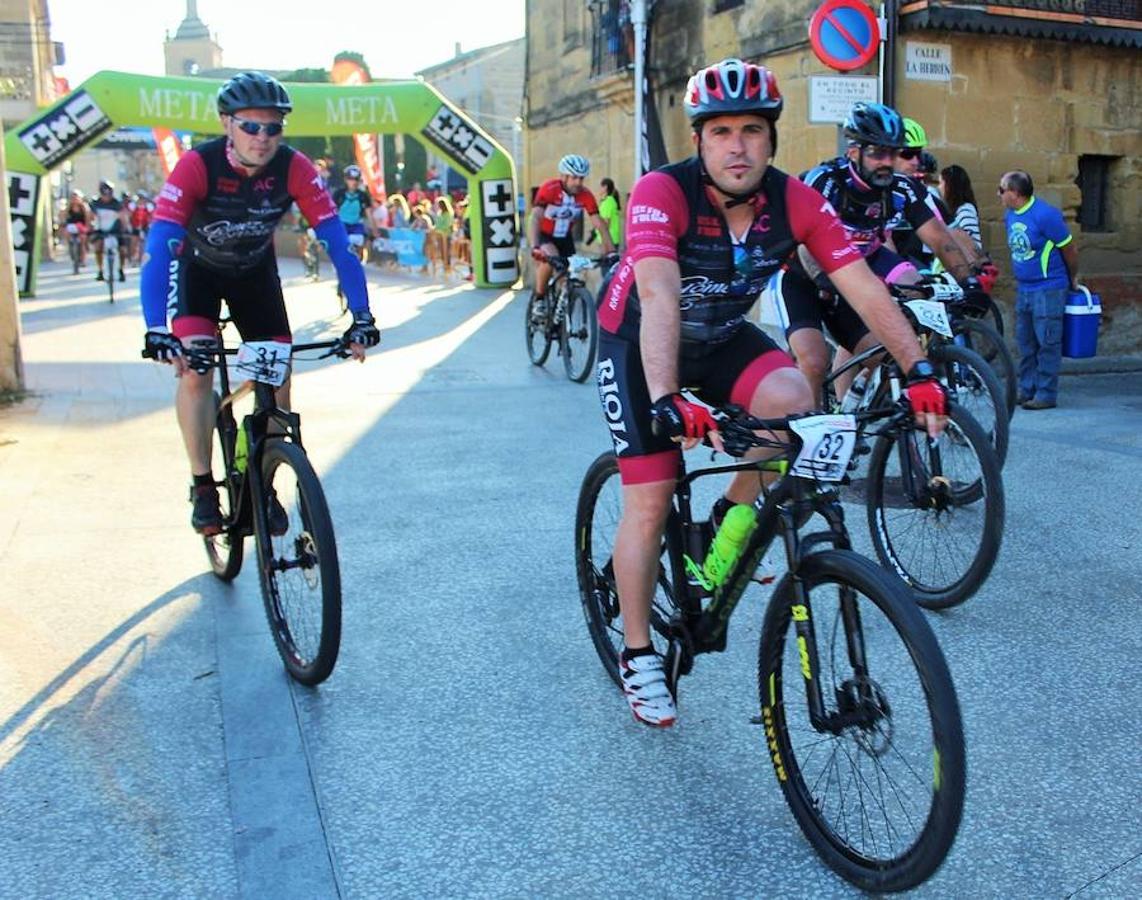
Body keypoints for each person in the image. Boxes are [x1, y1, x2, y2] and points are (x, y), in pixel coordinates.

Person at [595, 58, 948, 728]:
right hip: (639, 341)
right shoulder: (660, 193)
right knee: (648, 498)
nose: (737, 145)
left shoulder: (795, 201)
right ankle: (638, 652)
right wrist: (669, 395)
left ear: (772, 139)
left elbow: (864, 287)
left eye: (752, 130)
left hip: (723, 336)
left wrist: (918, 369)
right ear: (698, 140)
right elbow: (660, 295)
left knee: (796, 405)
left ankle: (726, 535)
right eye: (721, 130)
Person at [139, 71, 380, 534]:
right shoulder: (196, 165)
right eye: (251, 126)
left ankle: (263, 479)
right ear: (226, 123)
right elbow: (159, 248)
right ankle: (203, 484)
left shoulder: (294, 168)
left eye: (273, 128)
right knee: (195, 373)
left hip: (254, 275)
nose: (263, 138)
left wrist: (362, 316)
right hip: (198, 274)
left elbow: (338, 246)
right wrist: (156, 327)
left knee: (278, 373)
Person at [785, 101, 989, 403]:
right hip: (806, 275)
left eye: (892, 153)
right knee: (814, 362)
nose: (886, 162)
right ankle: (811, 434)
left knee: (888, 348)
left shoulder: (902, 188)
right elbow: (805, 244)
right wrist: (830, 283)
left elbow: (938, 237)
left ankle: (861, 404)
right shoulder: (826, 181)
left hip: (863, 261)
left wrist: (969, 283)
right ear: (853, 152)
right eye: (877, 153)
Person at [999, 170, 1079, 410]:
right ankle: (1028, 389)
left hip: (1049, 288)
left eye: (1002, 190)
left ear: (1015, 193)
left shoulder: (1046, 215)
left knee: (1047, 342)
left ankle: (1046, 394)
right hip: (1025, 287)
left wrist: (1072, 277)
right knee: (1026, 343)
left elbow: (1069, 248)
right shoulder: (1010, 214)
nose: (998, 194)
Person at [527, 154, 617, 314]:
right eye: (574, 178)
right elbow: (535, 217)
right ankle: (539, 298)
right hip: (545, 235)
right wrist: (534, 246)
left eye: (581, 178)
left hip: (565, 238)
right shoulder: (550, 189)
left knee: (566, 279)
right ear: (564, 177)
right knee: (551, 260)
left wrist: (611, 251)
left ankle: (561, 320)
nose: (578, 182)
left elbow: (599, 223)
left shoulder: (585, 195)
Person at [332, 163, 374, 264]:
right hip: (342, 223)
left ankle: (357, 261)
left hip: (356, 224)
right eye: (350, 179)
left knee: (359, 240)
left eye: (356, 179)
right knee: (341, 244)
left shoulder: (363, 196)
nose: (353, 182)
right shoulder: (339, 194)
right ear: (346, 180)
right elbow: (332, 210)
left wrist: (374, 228)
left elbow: (369, 213)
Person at [88, 179, 130, 282]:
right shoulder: (95, 203)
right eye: (104, 194)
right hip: (101, 229)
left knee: (122, 250)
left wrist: (125, 229)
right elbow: (91, 217)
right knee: (98, 247)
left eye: (108, 194)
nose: (106, 197)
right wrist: (90, 227)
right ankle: (100, 271)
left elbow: (123, 217)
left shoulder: (117, 203)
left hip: (116, 229)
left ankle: (121, 270)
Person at [59, 189, 92, 271]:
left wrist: (87, 227)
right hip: (71, 225)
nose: (75, 199)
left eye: (76, 198)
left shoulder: (84, 207)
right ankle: (69, 246)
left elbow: (87, 218)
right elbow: (63, 215)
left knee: (82, 240)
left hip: (81, 225)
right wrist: (63, 223)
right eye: (73, 198)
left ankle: (83, 259)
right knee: (67, 233)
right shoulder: (69, 207)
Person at [590, 177, 623, 249]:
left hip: (607, 241)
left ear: (605, 187)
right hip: (609, 240)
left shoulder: (608, 202)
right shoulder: (608, 201)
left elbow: (605, 224)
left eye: (600, 187)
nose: (599, 189)